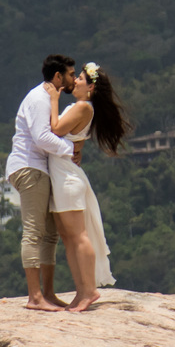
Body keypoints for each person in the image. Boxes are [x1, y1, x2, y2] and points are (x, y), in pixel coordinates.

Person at [45, 61, 132, 312]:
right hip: (64, 177)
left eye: (81, 78)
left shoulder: (83, 106)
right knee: (69, 237)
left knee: (77, 236)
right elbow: (75, 141)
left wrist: (53, 100)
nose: (76, 81)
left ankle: (88, 290)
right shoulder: (82, 108)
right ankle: (81, 290)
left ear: (90, 88)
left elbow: (55, 129)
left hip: (67, 179)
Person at [5, 55, 78, 311]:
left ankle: (47, 293)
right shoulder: (39, 98)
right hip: (29, 168)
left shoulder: (49, 98)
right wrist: (70, 149)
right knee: (35, 232)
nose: (73, 79)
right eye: (70, 74)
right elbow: (41, 138)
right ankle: (35, 297)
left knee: (50, 235)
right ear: (58, 77)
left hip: (38, 170)